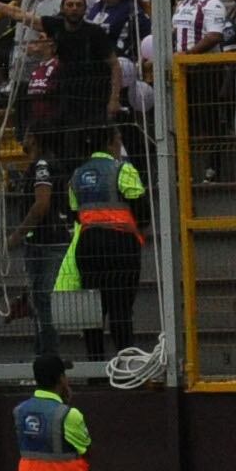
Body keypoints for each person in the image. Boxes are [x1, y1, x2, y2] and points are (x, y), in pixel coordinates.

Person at [61, 129, 146, 361]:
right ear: (109, 143)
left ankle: (95, 369)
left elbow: (75, 214)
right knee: (121, 309)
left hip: (88, 246)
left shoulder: (77, 175)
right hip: (121, 245)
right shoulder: (122, 169)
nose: (120, 144)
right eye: (119, 140)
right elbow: (142, 209)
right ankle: (125, 366)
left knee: (93, 311)